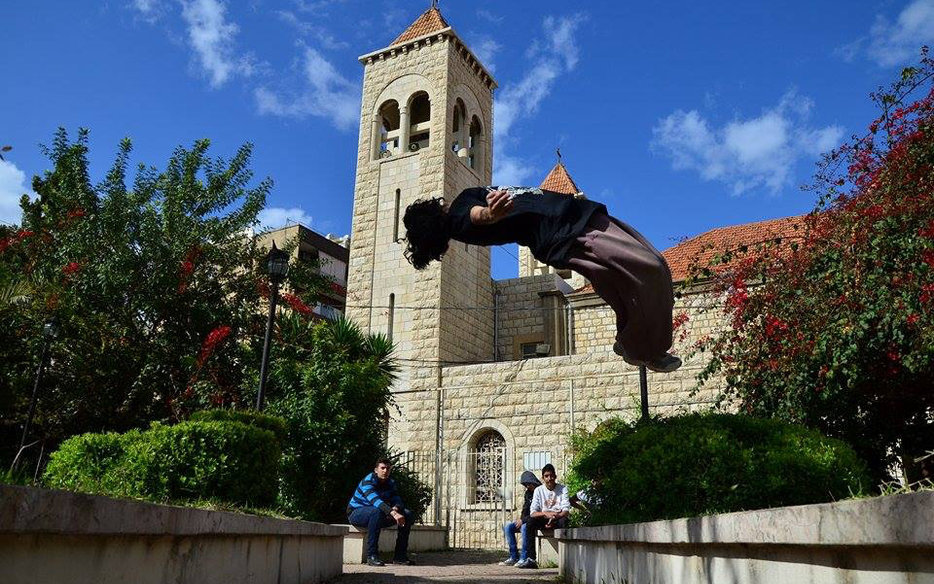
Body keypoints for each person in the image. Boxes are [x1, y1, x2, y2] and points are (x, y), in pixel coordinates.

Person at [402, 187, 681, 372]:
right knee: (651, 268)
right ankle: (641, 348)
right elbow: (476, 216)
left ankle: (631, 342)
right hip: (568, 233)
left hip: (579, 217)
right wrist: (488, 213)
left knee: (626, 281)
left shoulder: (462, 211)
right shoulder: (459, 218)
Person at [347, 458, 415, 566]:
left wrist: (396, 508)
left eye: (388, 468)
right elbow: (376, 501)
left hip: (378, 514)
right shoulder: (367, 481)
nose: (385, 471)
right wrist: (393, 513)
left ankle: (400, 557)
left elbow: (397, 499)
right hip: (356, 513)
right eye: (382, 468)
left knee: (407, 514)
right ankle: (372, 556)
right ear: (376, 470)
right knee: (376, 511)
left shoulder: (390, 483)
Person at [515, 463, 571, 569]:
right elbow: (533, 512)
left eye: (551, 476)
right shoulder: (538, 490)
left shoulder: (563, 489)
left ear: (555, 476)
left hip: (558, 518)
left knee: (565, 521)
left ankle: (566, 557)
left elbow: (566, 510)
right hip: (543, 518)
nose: (549, 479)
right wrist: (546, 514)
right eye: (546, 476)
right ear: (543, 478)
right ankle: (531, 559)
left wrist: (555, 517)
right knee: (530, 523)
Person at [498, 470, 542, 566]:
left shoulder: (540, 491)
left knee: (524, 527)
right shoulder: (528, 493)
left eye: (528, 484)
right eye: (525, 485)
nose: (527, 487)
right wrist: (520, 519)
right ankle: (513, 556)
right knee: (508, 527)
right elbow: (525, 509)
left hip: (535, 520)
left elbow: (537, 511)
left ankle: (523, 557)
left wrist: (523, 521)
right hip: (526, 519)